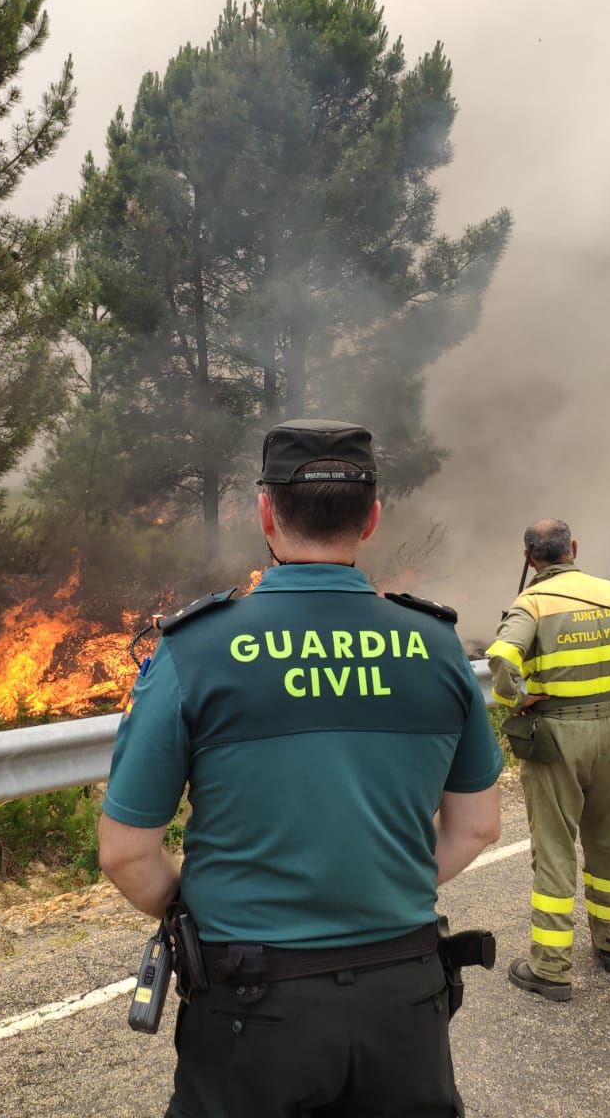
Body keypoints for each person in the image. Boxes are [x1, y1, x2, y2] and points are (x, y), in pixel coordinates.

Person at [99, 418, 504, 1117]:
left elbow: (128, 853)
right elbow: (476, 828)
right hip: (403, 998)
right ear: (372, 517)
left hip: (251, 1006)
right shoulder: (437, 647)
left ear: (264, 512)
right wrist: (376, 882)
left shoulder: (195, 651)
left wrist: (201, 911)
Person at [486, 520, 610, 1003]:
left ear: (529, 557)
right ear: (573, 549)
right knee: (608, 841)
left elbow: (501, 655)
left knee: (556, 848)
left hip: (559, 736)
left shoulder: (533, 603)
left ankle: (551, 967)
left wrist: (517, 700)